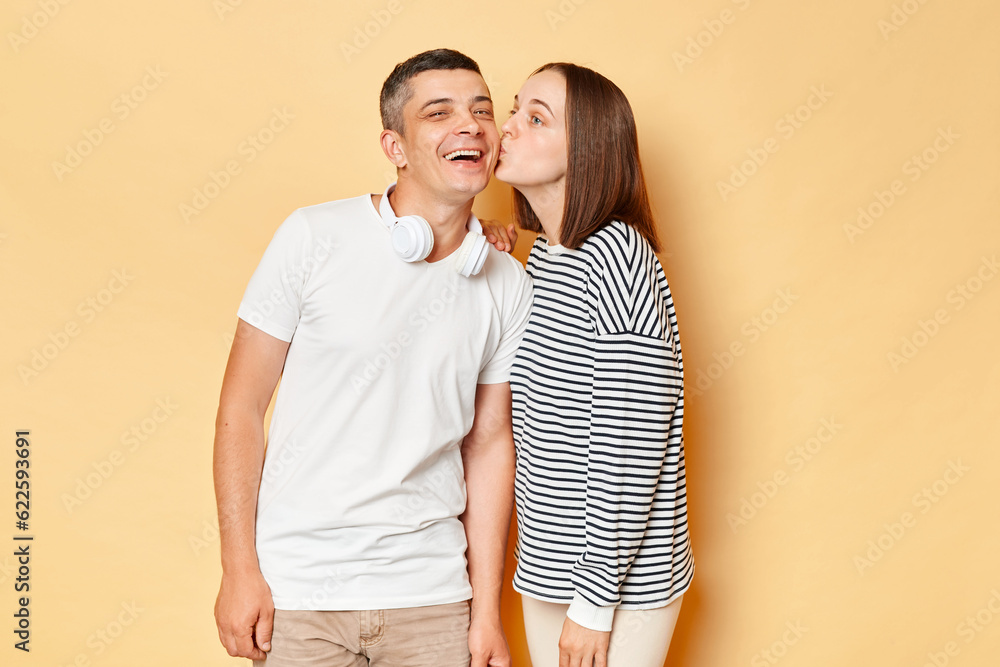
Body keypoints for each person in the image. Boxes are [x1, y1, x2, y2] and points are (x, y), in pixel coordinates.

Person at [212, 48, 533, 667]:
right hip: (298, 594)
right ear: (396, 147)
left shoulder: (506, 282)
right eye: (438, 113)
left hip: (433, 599)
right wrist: (238, 569)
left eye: (481, 111)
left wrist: (486, 613)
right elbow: (241, 408)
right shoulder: (312, 236)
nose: (469, 126)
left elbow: (490, 445)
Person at [492, 63, 695, 667]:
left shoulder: (619, 257)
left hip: (617, 585)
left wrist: (594, 603)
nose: (507, 127)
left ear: (587, 150)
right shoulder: (549, 257)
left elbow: (630, 446)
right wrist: (487, 244)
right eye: (514, 109)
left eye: (536, 119)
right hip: (549, 568)